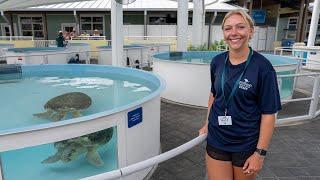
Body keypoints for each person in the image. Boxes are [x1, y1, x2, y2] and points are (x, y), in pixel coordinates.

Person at [199, 10, 281, 180]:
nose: (234, 33)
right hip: (217, 138)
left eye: (240, 27)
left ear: (251, 31)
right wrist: (207, 123)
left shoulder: (263, 68)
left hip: (246, 144)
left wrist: (259, 153)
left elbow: (268, 114)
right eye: (228, 28)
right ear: (223, 33)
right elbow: (214, 95)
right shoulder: (217, 62)